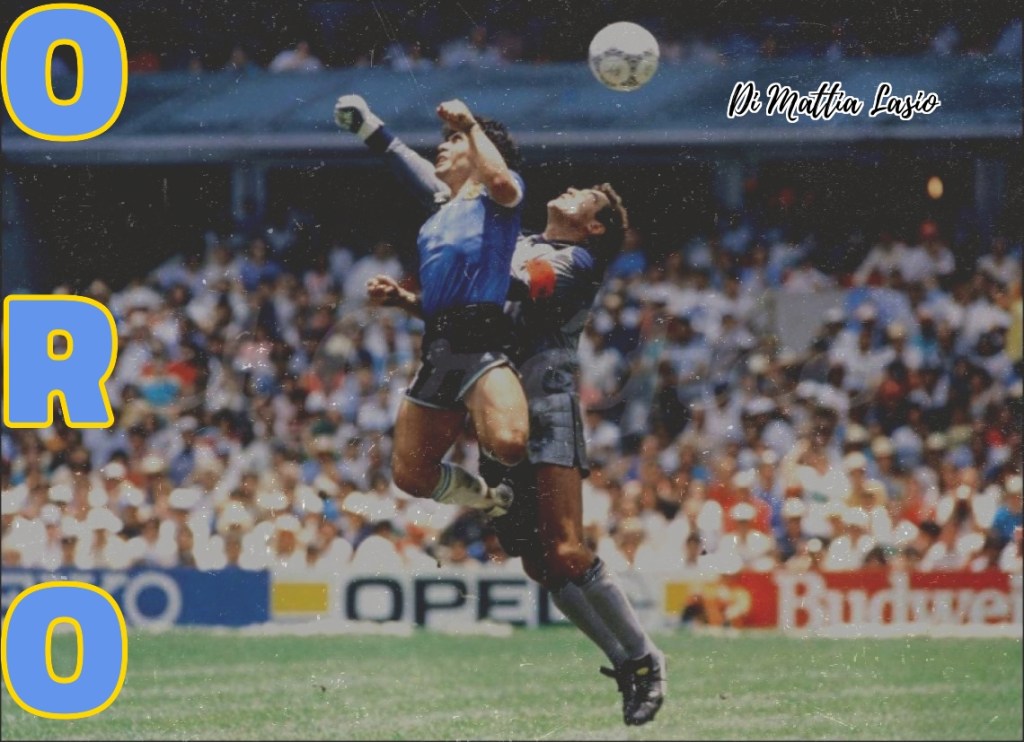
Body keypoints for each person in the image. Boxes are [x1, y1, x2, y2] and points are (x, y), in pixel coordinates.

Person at [366, 181, 666, 726]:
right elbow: (478, 310)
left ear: (593, 226)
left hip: (546, 404)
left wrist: (462, 257)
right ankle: (625, 661)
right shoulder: (522, 240)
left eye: (586, 196)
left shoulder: (576, 259)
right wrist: (409, 301)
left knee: (567, 549)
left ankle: (645, 656)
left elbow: (516, 287)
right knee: (538, 562)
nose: (571, 189)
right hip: (499, 405)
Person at [334, 94, 528, 518]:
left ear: (479, 150)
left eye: (453, 140)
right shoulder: (438, 218)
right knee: (410, 475)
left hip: (482, 342)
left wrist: (471, 126)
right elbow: (405, 163)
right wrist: (403, 300)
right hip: (439, 345)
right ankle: (490, 499)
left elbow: (498, 179)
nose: (442, 145)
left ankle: (521, 475)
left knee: (510, 442)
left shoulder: (499, 195)